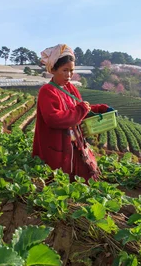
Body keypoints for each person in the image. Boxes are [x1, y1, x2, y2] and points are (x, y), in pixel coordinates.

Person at [32, 44, 113, 182]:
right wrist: (81, 110)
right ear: (53, 69)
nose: (69, 75)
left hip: (75, 145)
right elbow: (54, 119)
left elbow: (80, 109)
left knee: (83, 182)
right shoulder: (47, 91)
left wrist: (101, 109)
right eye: (64, 70)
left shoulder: (70, 88)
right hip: (58, 147)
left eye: (71, 70)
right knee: (59, 183)